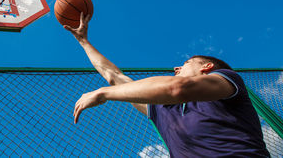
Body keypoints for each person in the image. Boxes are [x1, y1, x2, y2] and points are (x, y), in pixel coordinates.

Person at [65, 13, 270, 157]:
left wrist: (103, 93)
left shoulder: (226, 80)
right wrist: (84, 41)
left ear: (207, 67)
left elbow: (177, 89)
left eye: (186, 63)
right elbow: (114, 77)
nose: (176, 67)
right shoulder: (163, 110)